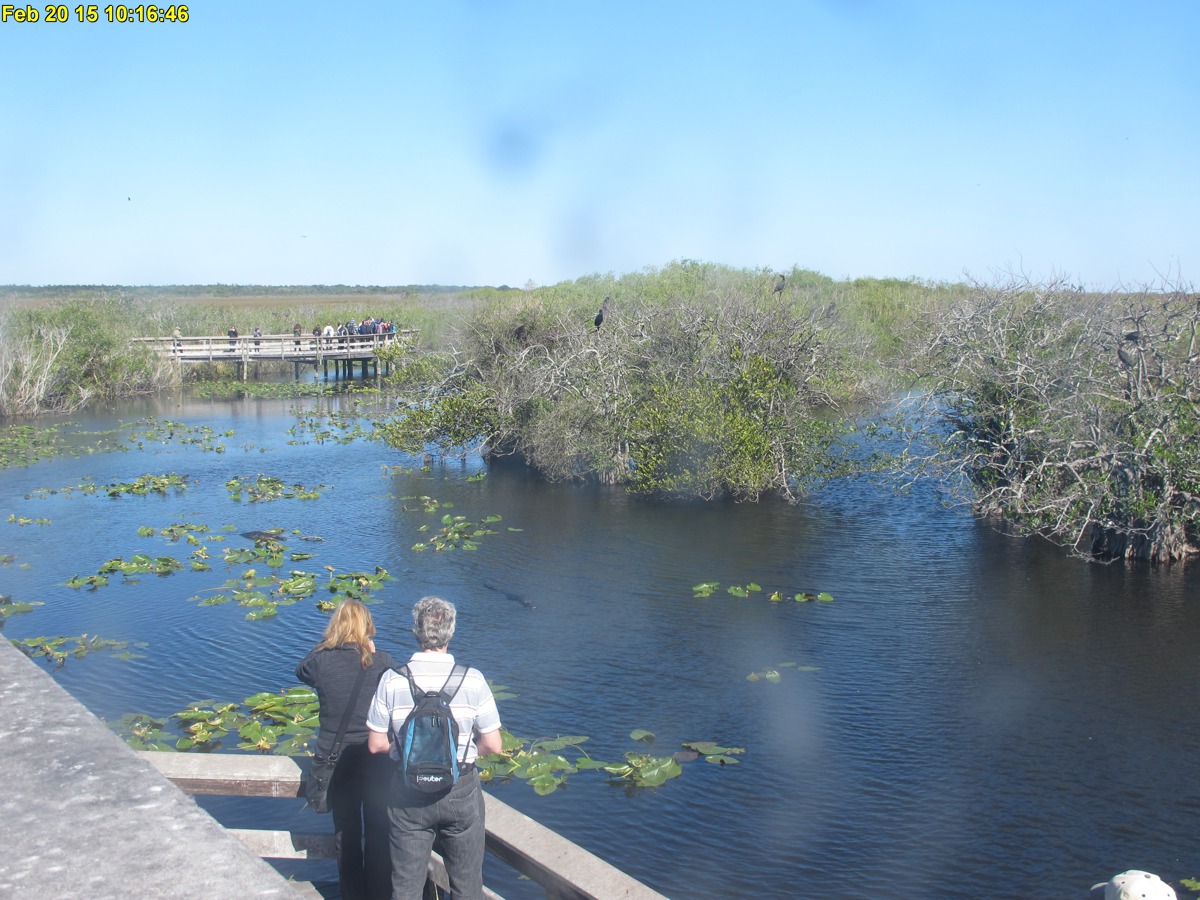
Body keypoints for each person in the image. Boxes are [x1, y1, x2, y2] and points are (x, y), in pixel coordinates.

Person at [367, 597, 503, 900]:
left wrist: (406, 750)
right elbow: (493, 744)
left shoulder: (391, 679)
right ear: (450, 632)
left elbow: (376, 744)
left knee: (405, 887)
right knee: (467, 886)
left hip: (408, 790)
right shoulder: (473, 679)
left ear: (415, 631)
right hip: (460, 788)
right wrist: (463, 755)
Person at [297, 599, 397, 900]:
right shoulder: (383, 663)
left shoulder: (321, 661)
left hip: (337, 760)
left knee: (346, 832)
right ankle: (380, 894)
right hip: (376, 760)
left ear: (336, 626)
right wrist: (370, 651)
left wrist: (327, 644)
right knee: (379, 829)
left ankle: (352, 895)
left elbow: (301, 670)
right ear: (368, 628)